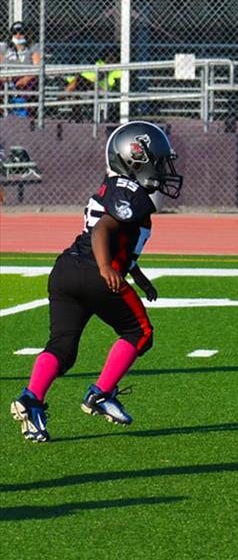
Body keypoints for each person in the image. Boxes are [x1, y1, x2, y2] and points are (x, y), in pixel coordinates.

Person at [9, 121, 182, 442]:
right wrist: (106, 268)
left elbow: (119, 242)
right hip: (95, 273)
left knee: (62, 348)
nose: (163, 168)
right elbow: (103, 230)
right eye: (157, 160)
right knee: (140, 333)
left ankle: (31, 399)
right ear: (135, 160)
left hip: (66, 270)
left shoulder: (113, 186)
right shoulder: (134, 194)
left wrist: (139, 276)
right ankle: (101, 394)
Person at [2, 21, 41, 117]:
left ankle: (27, 115)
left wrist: (26, 78)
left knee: (33, 82)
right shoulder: (5, 47)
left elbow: (37, 67)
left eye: (21, 32)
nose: (18, 35)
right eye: (15, 32)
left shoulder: (33, 47)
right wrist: (5, 77)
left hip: (26, 77)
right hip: (8, 77)